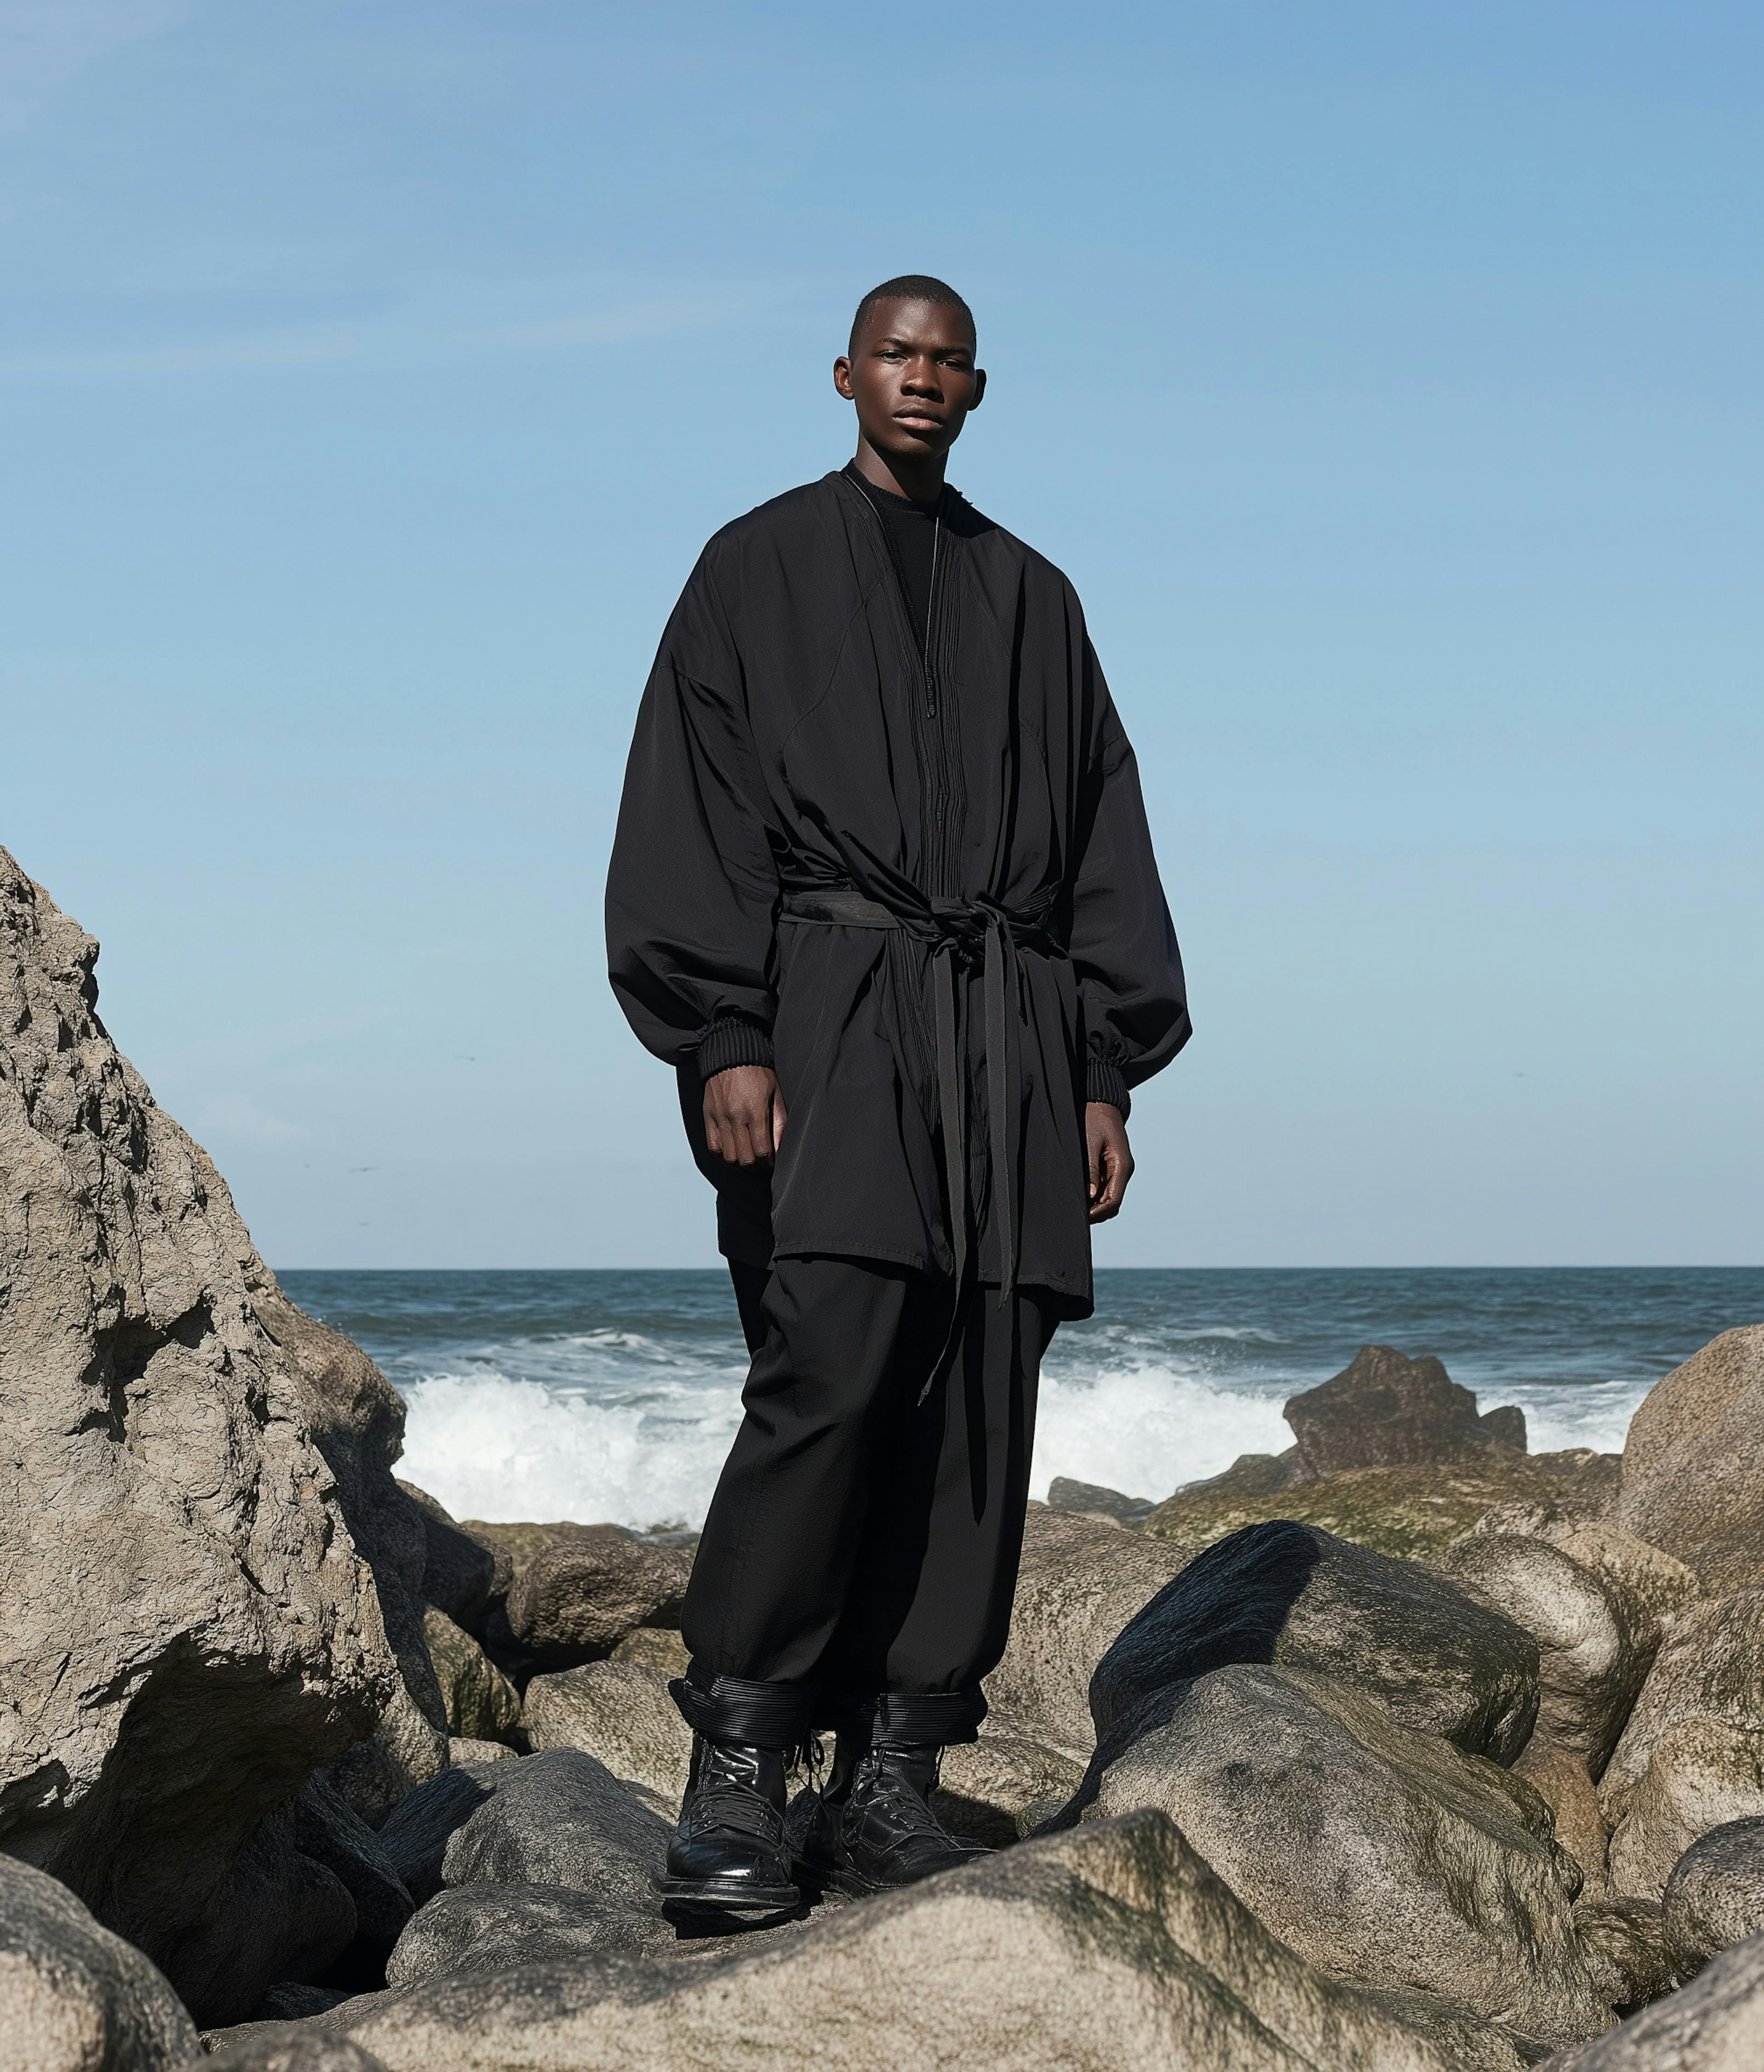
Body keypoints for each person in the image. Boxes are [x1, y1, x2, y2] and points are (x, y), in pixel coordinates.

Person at [606, 274, 1189, 1910]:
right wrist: (725, 1033)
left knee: (978, 1401)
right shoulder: (754, 568)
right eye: (896, 356)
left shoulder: (1035, 597)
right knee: (830, 1372)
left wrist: (1100, 1071)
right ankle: (737, 1770)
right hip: (831, 1018)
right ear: (846, 375)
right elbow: (690, 810)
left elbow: (1100, 837)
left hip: (1012, 1032)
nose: (921, 380)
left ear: (977, 389)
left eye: (948, 362)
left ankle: (892, 1779)